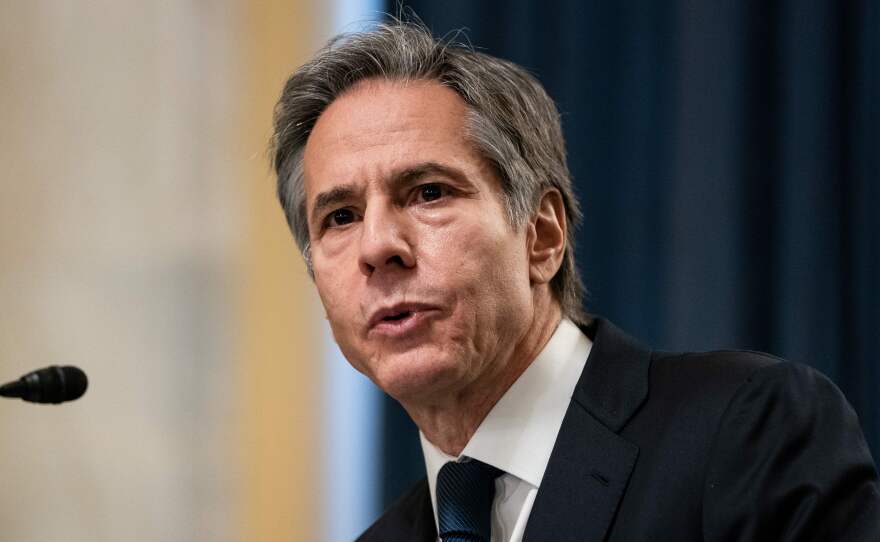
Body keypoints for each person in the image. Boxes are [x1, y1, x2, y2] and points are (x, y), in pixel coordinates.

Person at [270, 20, 880, 542]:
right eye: (340, 217)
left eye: (429, 192)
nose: (378, 247)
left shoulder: (750, 434)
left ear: (542, 236)